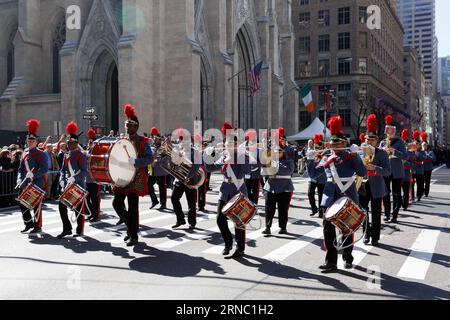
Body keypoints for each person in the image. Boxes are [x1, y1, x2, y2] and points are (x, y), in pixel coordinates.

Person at [318, 116, 367, 273]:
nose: (334, 146)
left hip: (347, 193)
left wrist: (356, 156)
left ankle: (347, 257)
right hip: (330, 196)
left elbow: (362, 172)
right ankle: (331, 261)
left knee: (346, 227)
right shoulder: (327, 157)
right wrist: (311, 160)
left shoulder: (349, 157)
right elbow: (315, 176)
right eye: (332, 144)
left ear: (345, 144)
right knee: (327, 227)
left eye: (337, 143)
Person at [205, 122, 251, 259]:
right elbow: (210, 168)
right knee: (220, 219)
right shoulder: (224, 156)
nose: (227, 145)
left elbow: (247, 171)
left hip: (238, 190)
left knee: (239, 222)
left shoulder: (242, 155)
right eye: (226, 143)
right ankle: (228, 243)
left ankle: (240, 248)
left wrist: (236, 158)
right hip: (225, 190)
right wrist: (207, 155)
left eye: (231, 143)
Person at [112, 104, 153, 247]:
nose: (127, 128)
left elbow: (150, 159)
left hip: (135, 178)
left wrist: (136, 161)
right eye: (126, 125)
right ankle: (131, 227)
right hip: (122, 176)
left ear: (136, 127)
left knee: (132, 207)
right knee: (116, 203)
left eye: (130, 126)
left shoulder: (143, 141)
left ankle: (133, 235)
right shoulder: (122, 140)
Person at [360, 115, 391, 245]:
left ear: (376, 142)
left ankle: (375, 237)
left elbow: (388, 171)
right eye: (367, 140)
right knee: (363, 210)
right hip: (362, 184)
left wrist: (375, 168)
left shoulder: (382, 153)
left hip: (377, 185)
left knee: (376, 212)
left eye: (372, 140)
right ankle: (366, 234)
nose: (369, 142)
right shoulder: (361, 152)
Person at [16, 119, 49, 234]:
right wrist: (20, 180)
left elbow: (44, 169)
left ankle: (37, 226)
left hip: (37, 183)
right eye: (29, 141)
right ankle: (28, 223)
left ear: (36, 142)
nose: (30, 143)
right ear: (26, 141)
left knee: (36, 205)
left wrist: (33, 175)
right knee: (22, 203)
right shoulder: (24, 153)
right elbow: (20, 169)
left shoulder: (41, 154)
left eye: (32, 141)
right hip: (24, 183)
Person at [57, 122, 88, 239]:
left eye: (72, 143)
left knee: (78, 209)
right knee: (61, 206)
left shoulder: (81, 155)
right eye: (68, 143)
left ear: (76, 143)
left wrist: (75, 178)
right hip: (67, 185)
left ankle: (80, 230)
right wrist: (62, 180)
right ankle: (67, 228)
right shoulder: (66, 155)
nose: (69, 145)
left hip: (78, 185)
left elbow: (84, 171)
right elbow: (63, 170)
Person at [262, 128, 295, 235]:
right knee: (269, 208)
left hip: (285, 187)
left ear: (282, 152)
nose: (276, 154)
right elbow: (264, 171)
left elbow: (288, 171)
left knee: (283, 209)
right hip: (270, 186)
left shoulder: (289, 161)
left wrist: (275, 165)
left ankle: (283, 227)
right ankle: (267, 227)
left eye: (278, 152)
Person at [379, 115, 407, 223]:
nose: (389, 133)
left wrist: (394, 151)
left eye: (391, 131)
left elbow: (405, 156)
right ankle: (386, 214)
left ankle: (395, 214)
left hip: (397, 171)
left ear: (394, 132)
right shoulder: (382, 143)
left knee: (397, 194)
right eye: (388, 131)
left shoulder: (399, 142)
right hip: (386, 170)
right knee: (385, 193)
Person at [170, 130, 200, 230]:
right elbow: (174, 164)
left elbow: (196, 166)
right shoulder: (179, 151)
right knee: (174, 198)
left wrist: (189, 176)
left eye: (184, 139)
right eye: (181, 139)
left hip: (190, 180)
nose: (182, 141)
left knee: (191, 202)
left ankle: (192, 222)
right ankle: (180, 219)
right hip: (179, 179)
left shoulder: (195, 151)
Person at [306, 134, 327, 218]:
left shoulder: (326, 154)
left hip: (321, 178)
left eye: (320, 146)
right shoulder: (313, 153)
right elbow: (309, 167)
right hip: (313, 178)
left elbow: (323, 167)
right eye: (317, 146)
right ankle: (314, 209)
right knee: (310, 193)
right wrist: (310, 159)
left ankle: (321, 211)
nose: (318, 148)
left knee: (321, 195)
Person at [148, 127, 168, 211]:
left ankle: (163, 204)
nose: (154, 139)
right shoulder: (151, 147)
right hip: (152, 170)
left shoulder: (163, 148)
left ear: (159, 140)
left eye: (156, 138)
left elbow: (167, 158)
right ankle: (154, 200)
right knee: (148, 185)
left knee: (162, 188)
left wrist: (158, 160)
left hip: (161, 171)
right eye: (154, 138)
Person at [85, 128, 101, 222]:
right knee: (87, 197)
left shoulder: (96, 154)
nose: (89, 144)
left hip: (95, 179)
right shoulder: (87, 152)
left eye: (91, 143)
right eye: (89, 142)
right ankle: (91, 213)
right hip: (87, 179)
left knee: (95, 199)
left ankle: (95, 215)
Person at [411, 131, 426, 202]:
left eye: (418, 144)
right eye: (415, 144)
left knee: (419, 184)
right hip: (412, 169)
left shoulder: (422, 152)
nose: (416, 145)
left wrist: (416, 153)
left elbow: (423, 158)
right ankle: (412, 196)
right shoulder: (411, 151)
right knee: (412, 183)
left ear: (420, 145)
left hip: (419, 169)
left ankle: (419, 195)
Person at [401, 129, 413, 212]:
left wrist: (406, 162)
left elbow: (412, 164)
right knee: (397, 192)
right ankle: (400, 203)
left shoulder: (410, 153)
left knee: (405, 191)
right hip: (398, 174)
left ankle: (405, 205)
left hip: (406, 174)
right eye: (403, 144)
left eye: (406, 144)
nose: (405, 146)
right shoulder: (399, 152)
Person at [421, 133, 436, 198]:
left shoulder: (430, 152)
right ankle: (422, 191)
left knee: (427, 181)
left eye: (425, 145)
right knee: (421, 181)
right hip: (421, 168)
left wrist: (427, 156)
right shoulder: (420, 152)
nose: (424, 146)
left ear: (427, 146)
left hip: (428, 169)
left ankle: (426, 192)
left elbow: (434, 159)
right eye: (423, 145)